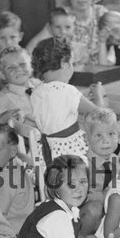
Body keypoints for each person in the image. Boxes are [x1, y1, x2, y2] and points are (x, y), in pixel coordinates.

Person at [29, 36, 100, 164]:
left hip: (45, 157)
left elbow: (57, 103)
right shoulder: (68, 91)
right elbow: (99, 115)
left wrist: (80, 97)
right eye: (72, 63)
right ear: (64, 64)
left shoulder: (36, 92)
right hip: (69, 159)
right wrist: (99, 95)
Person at [25, 0, 110, 66]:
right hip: (69, 76)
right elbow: (30, 49)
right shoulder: (61, 17)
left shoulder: (102, 14)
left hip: (102, 74)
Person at [0, 123, 36, 233]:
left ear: (13, 151)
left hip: (12, 236)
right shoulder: (11, 170)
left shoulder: (6, 180)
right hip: (20, 229)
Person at [78, 108, 120, 236]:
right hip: (86, 217)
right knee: (94, 209)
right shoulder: (82, 165)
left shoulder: (118, 161)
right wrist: (106, 194)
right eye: (98, 135)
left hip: (111, 215)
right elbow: (79, 198)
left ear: (118, 135)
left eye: (111, 134)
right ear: (86, 138)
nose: (106, 140)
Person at [0, 46, 40, 127]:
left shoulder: (40, 84)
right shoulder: (2, 99)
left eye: (22, 64)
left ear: (31, 66)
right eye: (10, 68)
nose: (18, 69)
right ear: (2, 75)